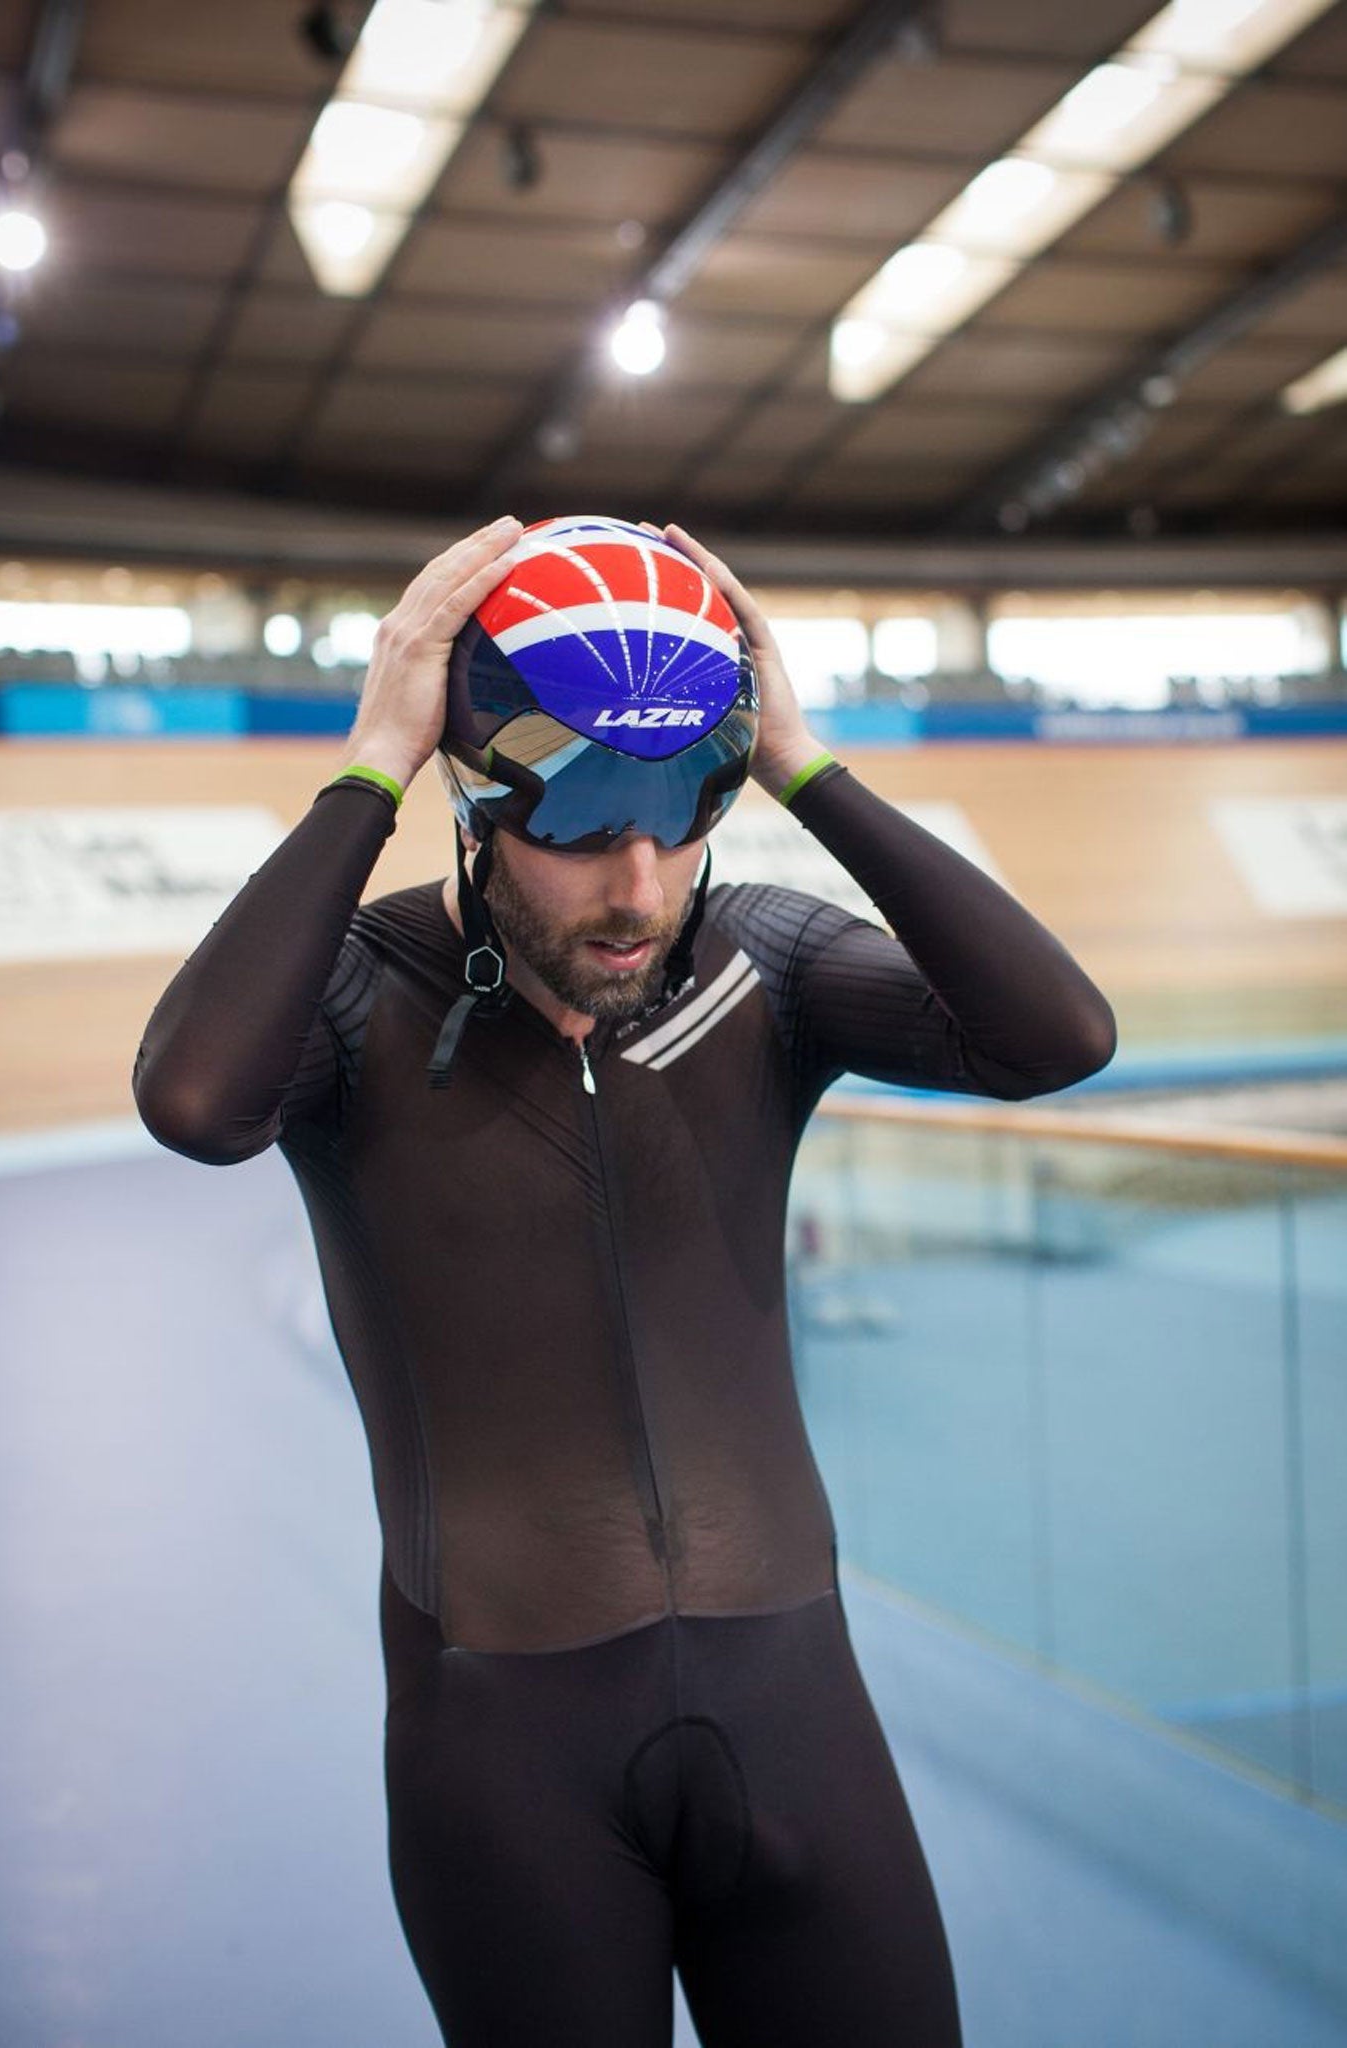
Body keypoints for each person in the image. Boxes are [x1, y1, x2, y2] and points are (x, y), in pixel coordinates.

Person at [134, 513, 1117, 2048]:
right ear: (474, 790)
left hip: (798, 1717)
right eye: (582, 827)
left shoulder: (764, 966)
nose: (640, 889)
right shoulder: (352, 997)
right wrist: (369, 759)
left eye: (680, 816)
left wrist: (799, 759)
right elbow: (194, 1101)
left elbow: (1054, 1034)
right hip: (508, 1760)